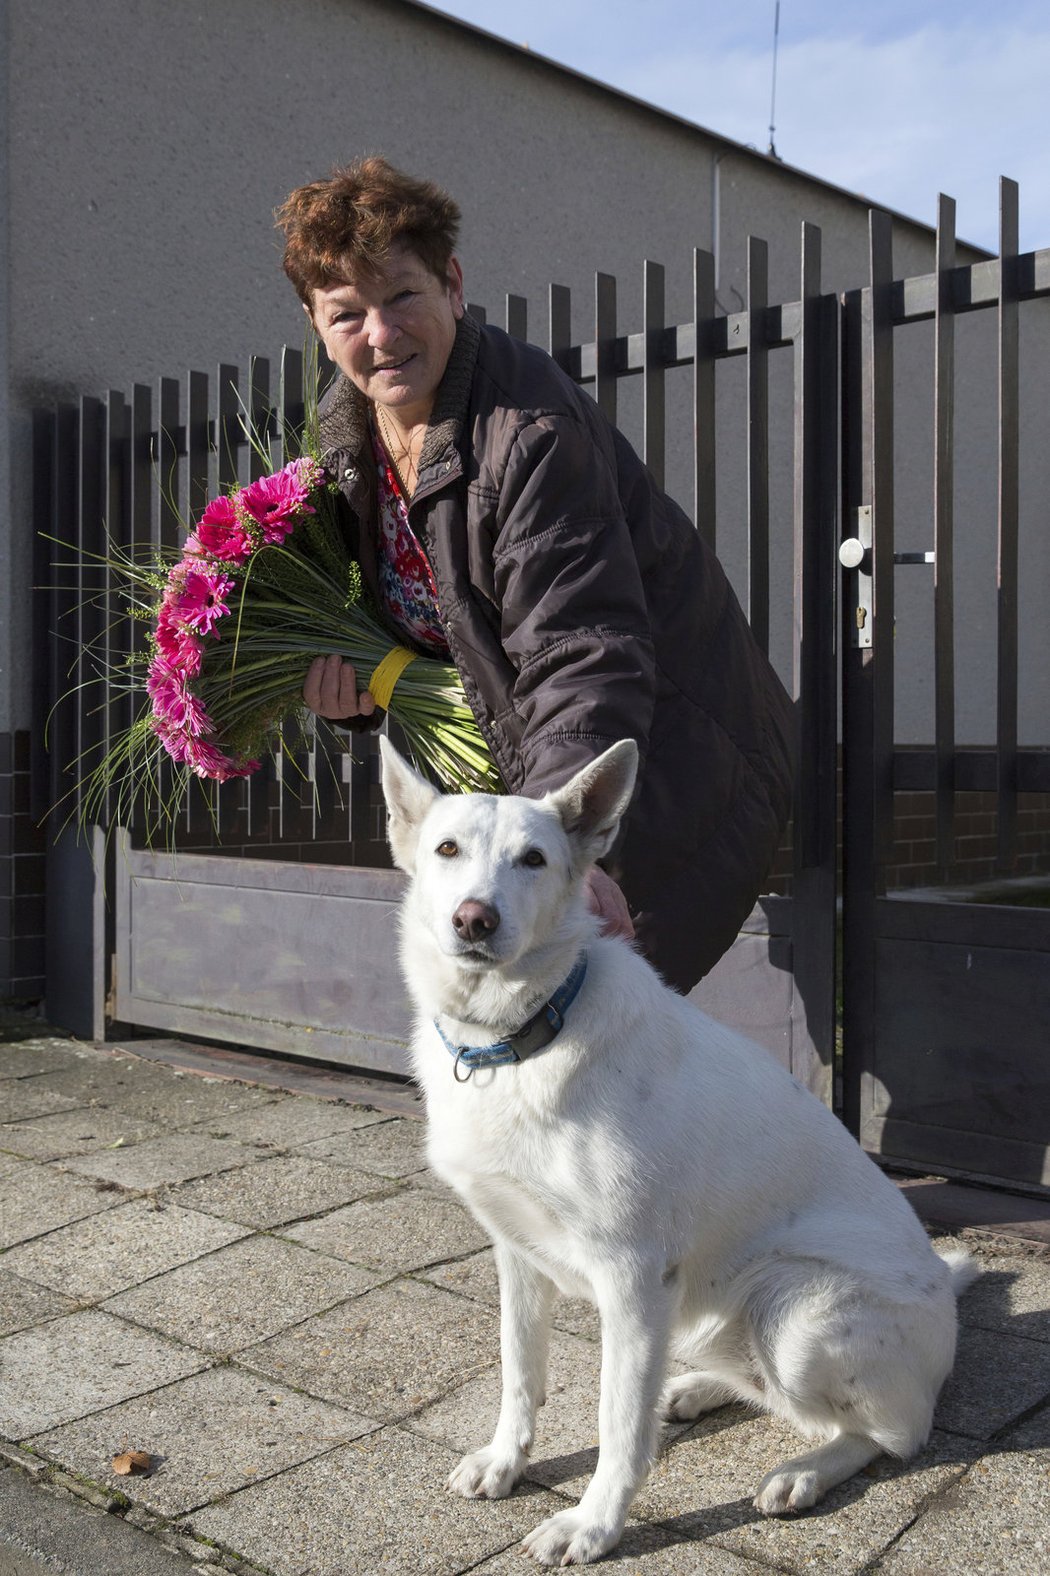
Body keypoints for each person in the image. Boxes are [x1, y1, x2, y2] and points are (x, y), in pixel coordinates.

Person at [275, 157, 793, 994]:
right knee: (539, 1047)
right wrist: (357, 693)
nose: (380, 333)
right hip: (519, 784)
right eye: (346, 313)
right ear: (314, 321)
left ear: (452, 283)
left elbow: (581, 646)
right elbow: (441, 628)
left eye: (402, 295)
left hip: (653, 763)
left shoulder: (528, 434)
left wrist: (560, 832)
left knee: (599, 1035)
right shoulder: (348, 447)